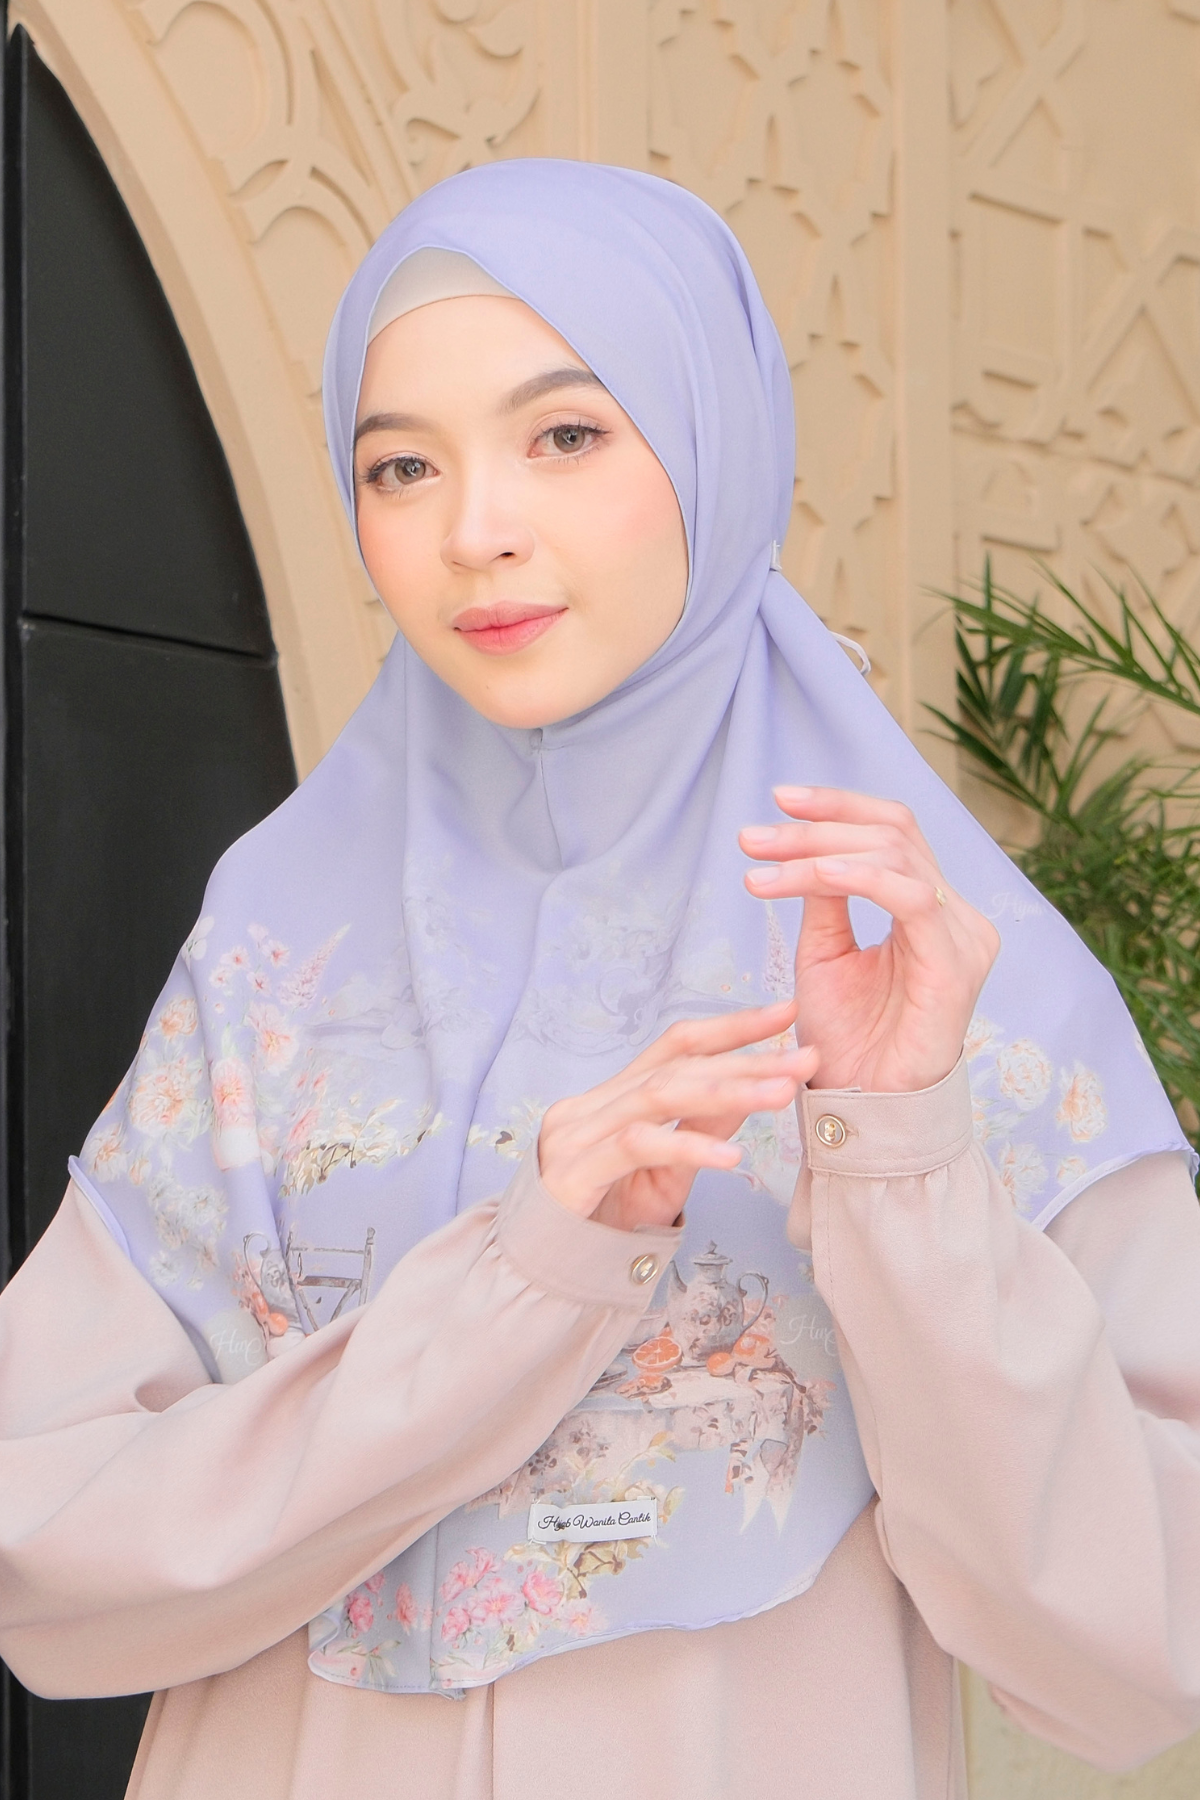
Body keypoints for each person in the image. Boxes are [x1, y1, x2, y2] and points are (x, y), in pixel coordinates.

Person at [1, 160, 1199, 1800]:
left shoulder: (939, 967)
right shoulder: (278, 952)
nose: (475, 531)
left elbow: (1138, 1656)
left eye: (565, 435)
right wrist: (522, 1282)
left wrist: (900, 1156)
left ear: (714, 442)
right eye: (402, 465)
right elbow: (40, 1553)